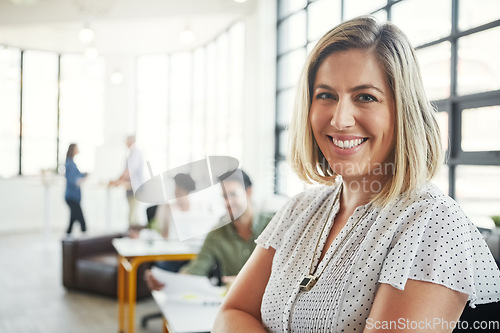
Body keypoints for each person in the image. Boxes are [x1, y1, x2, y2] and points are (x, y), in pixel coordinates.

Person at [213, 17, 500, 332]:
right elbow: (233, 312)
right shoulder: (298, 209)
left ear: (402, 111)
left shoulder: (432, 221)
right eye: (326, 95)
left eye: (365, 97)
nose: (340, 119)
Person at [144, 169, 274, 289]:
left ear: (249, 192)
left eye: (233, 194)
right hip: (234, 305)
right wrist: (166, 282)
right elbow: (196, 269)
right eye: (224, 196)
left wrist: (244, 282)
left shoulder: (274, 225)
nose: (228, 202)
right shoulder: (217, 233)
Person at [109, 135, 145, 226]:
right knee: (131, 211)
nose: (126, 143)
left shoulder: (136, 152)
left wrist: (118, 181)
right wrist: (118, 180)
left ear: (131, 141)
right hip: (129, 188)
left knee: (133, 214)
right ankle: (132, 231)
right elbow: (126, 170)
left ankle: (133, 232)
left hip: (135, 187)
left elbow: (129, 171)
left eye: (127, 141)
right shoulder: (130, 153)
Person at [64, 143, 88, 235]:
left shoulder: (72, 163)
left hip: (74, 196)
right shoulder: (69, 164)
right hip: (71, 196)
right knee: (82, 221)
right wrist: (82, 178)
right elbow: (73, 180)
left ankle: (67, 236)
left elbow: (77, 175)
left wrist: (84, 175)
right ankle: (86, 240)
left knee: (72, 219)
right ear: (73, 149)